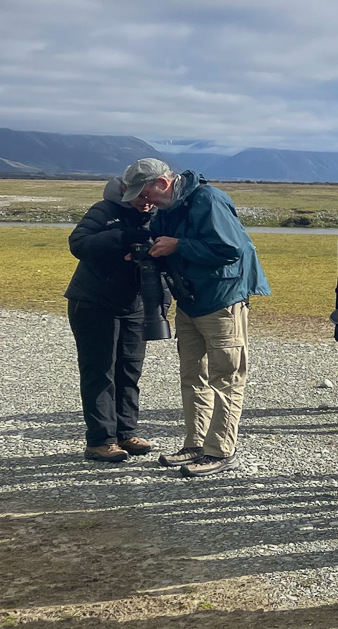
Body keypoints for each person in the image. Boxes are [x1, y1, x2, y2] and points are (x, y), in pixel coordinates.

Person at [123, 159, 270, 478]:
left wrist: (179, 245)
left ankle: (220, 450)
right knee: (193, 376)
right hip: (189, 300)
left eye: (145, 191)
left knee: (226, 376)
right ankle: (195, 444)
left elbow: (230, 249)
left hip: (222, 300)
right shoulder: (167, 208)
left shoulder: (209, 200)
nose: (144, 200)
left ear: (162, 184)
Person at [65, 177, 157, 462]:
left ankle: (125, 433)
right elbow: (78, 244)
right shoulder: (104, 211)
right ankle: (100, 440)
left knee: (130, 371)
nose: (146, 201)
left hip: (134, 304)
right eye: (140, 196)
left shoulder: (159, 217)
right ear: (126, 192)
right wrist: (123, 237)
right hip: (93, 302)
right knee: (100, 371)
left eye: (151, 195)